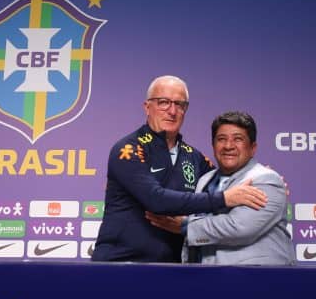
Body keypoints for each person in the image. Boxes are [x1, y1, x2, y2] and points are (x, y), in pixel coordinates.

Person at [92, 76, 268, 263]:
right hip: (122, 263)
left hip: (174, 267)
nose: (172, 111)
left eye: (179, 104)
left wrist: (260, 179)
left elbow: (225, 183)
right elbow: (156, 199)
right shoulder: (129, 149)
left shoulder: (195, 157)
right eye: (163, 102)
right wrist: (224, 198)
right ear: (147, 107)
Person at [146, 111, 295, 265]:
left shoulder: (266, 180)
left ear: (253, 148)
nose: (228, 146)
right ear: (213, 145)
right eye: (221, 139)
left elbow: (239, 228)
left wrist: (185, 226)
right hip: (208, 275)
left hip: (256, 276)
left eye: (238, 139)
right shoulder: (205, 180)